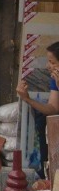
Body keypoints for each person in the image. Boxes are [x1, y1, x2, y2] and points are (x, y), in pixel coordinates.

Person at [16, 41, 59, 178]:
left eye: (52, 62)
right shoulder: (55, 79)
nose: (48, 66)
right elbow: (52, 108)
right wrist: (27, 98)